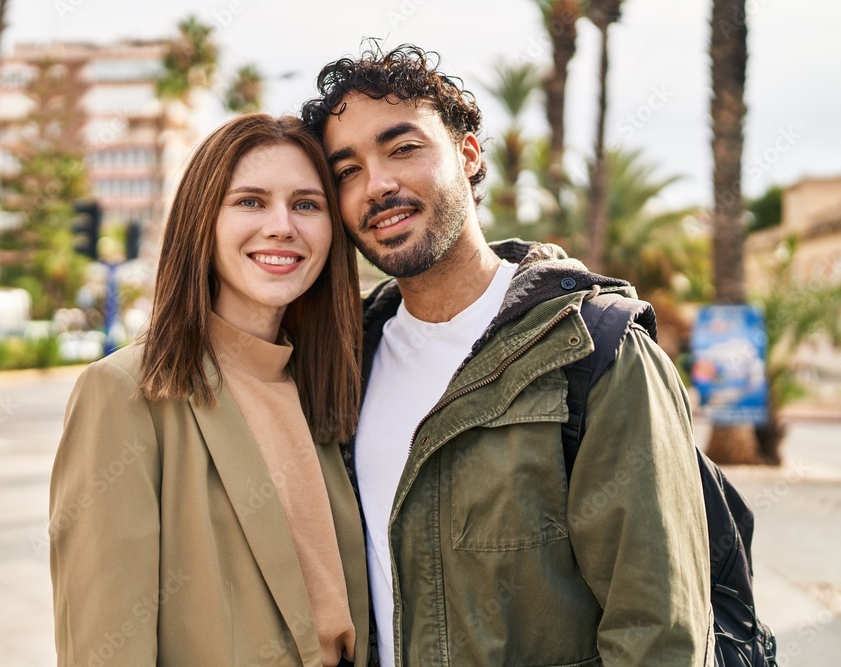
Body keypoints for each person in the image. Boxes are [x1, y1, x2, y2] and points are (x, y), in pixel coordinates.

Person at [300, 45, 714, 666]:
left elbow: (660, 635)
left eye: (403, 148)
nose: (378, 184)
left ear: (468, 155)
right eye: (347, 170)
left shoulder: (596, 349)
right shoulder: (343, 360)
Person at [49, 114, 369, 666]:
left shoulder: (324, 383)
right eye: (249, 201)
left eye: (307, 204)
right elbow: (105, 646)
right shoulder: (125, 394)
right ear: (203, 222)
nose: (281, 226)